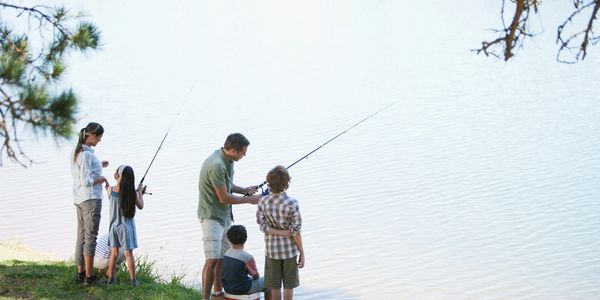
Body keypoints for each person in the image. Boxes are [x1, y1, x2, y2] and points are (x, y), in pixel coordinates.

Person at [198, 133, 261, 300]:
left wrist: (244, 190)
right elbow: (224, 197)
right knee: (211, 259)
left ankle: (217, 293)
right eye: (243, 153)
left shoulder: (228, 161)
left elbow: (226, 186)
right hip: (212, 216)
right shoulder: (216, 165)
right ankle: (205, 298)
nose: (244, 155)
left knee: (222, 258)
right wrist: (249, 200)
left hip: (224, 216)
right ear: (233, 150)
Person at [256, 166, 305, 300]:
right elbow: (295, 232)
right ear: (286, 184)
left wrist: (277, 232)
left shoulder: (262, 202)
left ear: (269, 182)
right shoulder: (292, 203)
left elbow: (262, 226)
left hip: (271, 251)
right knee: (289, 286)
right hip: (289, 251)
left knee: (275, 286)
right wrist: (302, 252)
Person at [71, 122, 109, 285]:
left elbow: (82, 171)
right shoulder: (86, 154)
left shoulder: (78, 150)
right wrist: (101, 178)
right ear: (92, 136)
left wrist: (99, 165)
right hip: (90, 200)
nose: (100, 140)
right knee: (91, 237)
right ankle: (89, 277)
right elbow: (86, 181)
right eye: (99, 137)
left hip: (79, 199)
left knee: (81, 236)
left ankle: (81, 274)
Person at [105, 165, 145, 287]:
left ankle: (111, 279)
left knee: (114, 253)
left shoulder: (110, 190)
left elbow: (112, 192)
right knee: (128, 254)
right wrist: (140, 193)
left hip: (113, 227)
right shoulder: (131, 193)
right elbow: (141, 206)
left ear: (117, 176)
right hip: (126, 228)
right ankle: (133, 281)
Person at [221, 225, 271, 300]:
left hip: (227, 288)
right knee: (269, 281)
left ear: (229, 239)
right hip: (242, 289)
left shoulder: (227, 254)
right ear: (245, 238)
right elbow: (256, 276)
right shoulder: (247, 257)